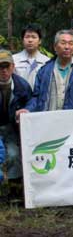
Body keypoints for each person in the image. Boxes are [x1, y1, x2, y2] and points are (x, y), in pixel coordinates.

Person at [17, 30, 73, 113]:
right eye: (63, 43)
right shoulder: (44, 70)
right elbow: (37, 97)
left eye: (70, 43)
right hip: (49, 120)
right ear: (55, 47)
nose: (67, 47)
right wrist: (28, 109)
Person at [0, 50, 32, 184]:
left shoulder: (22, 85)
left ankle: (14, 186)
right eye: (0, 67)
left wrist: (26, 110)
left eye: (6, 66)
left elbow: (31, 102)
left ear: (13, 67)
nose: (3, 70)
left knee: (14, 155)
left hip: (12, 127)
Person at [13, 24, 50, 89]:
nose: (30, 40)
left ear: (40, 41)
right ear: (22, 40)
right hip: (18, 98)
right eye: (27, 37)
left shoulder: (46, 61)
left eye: (34, 37)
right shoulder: (13, 59)